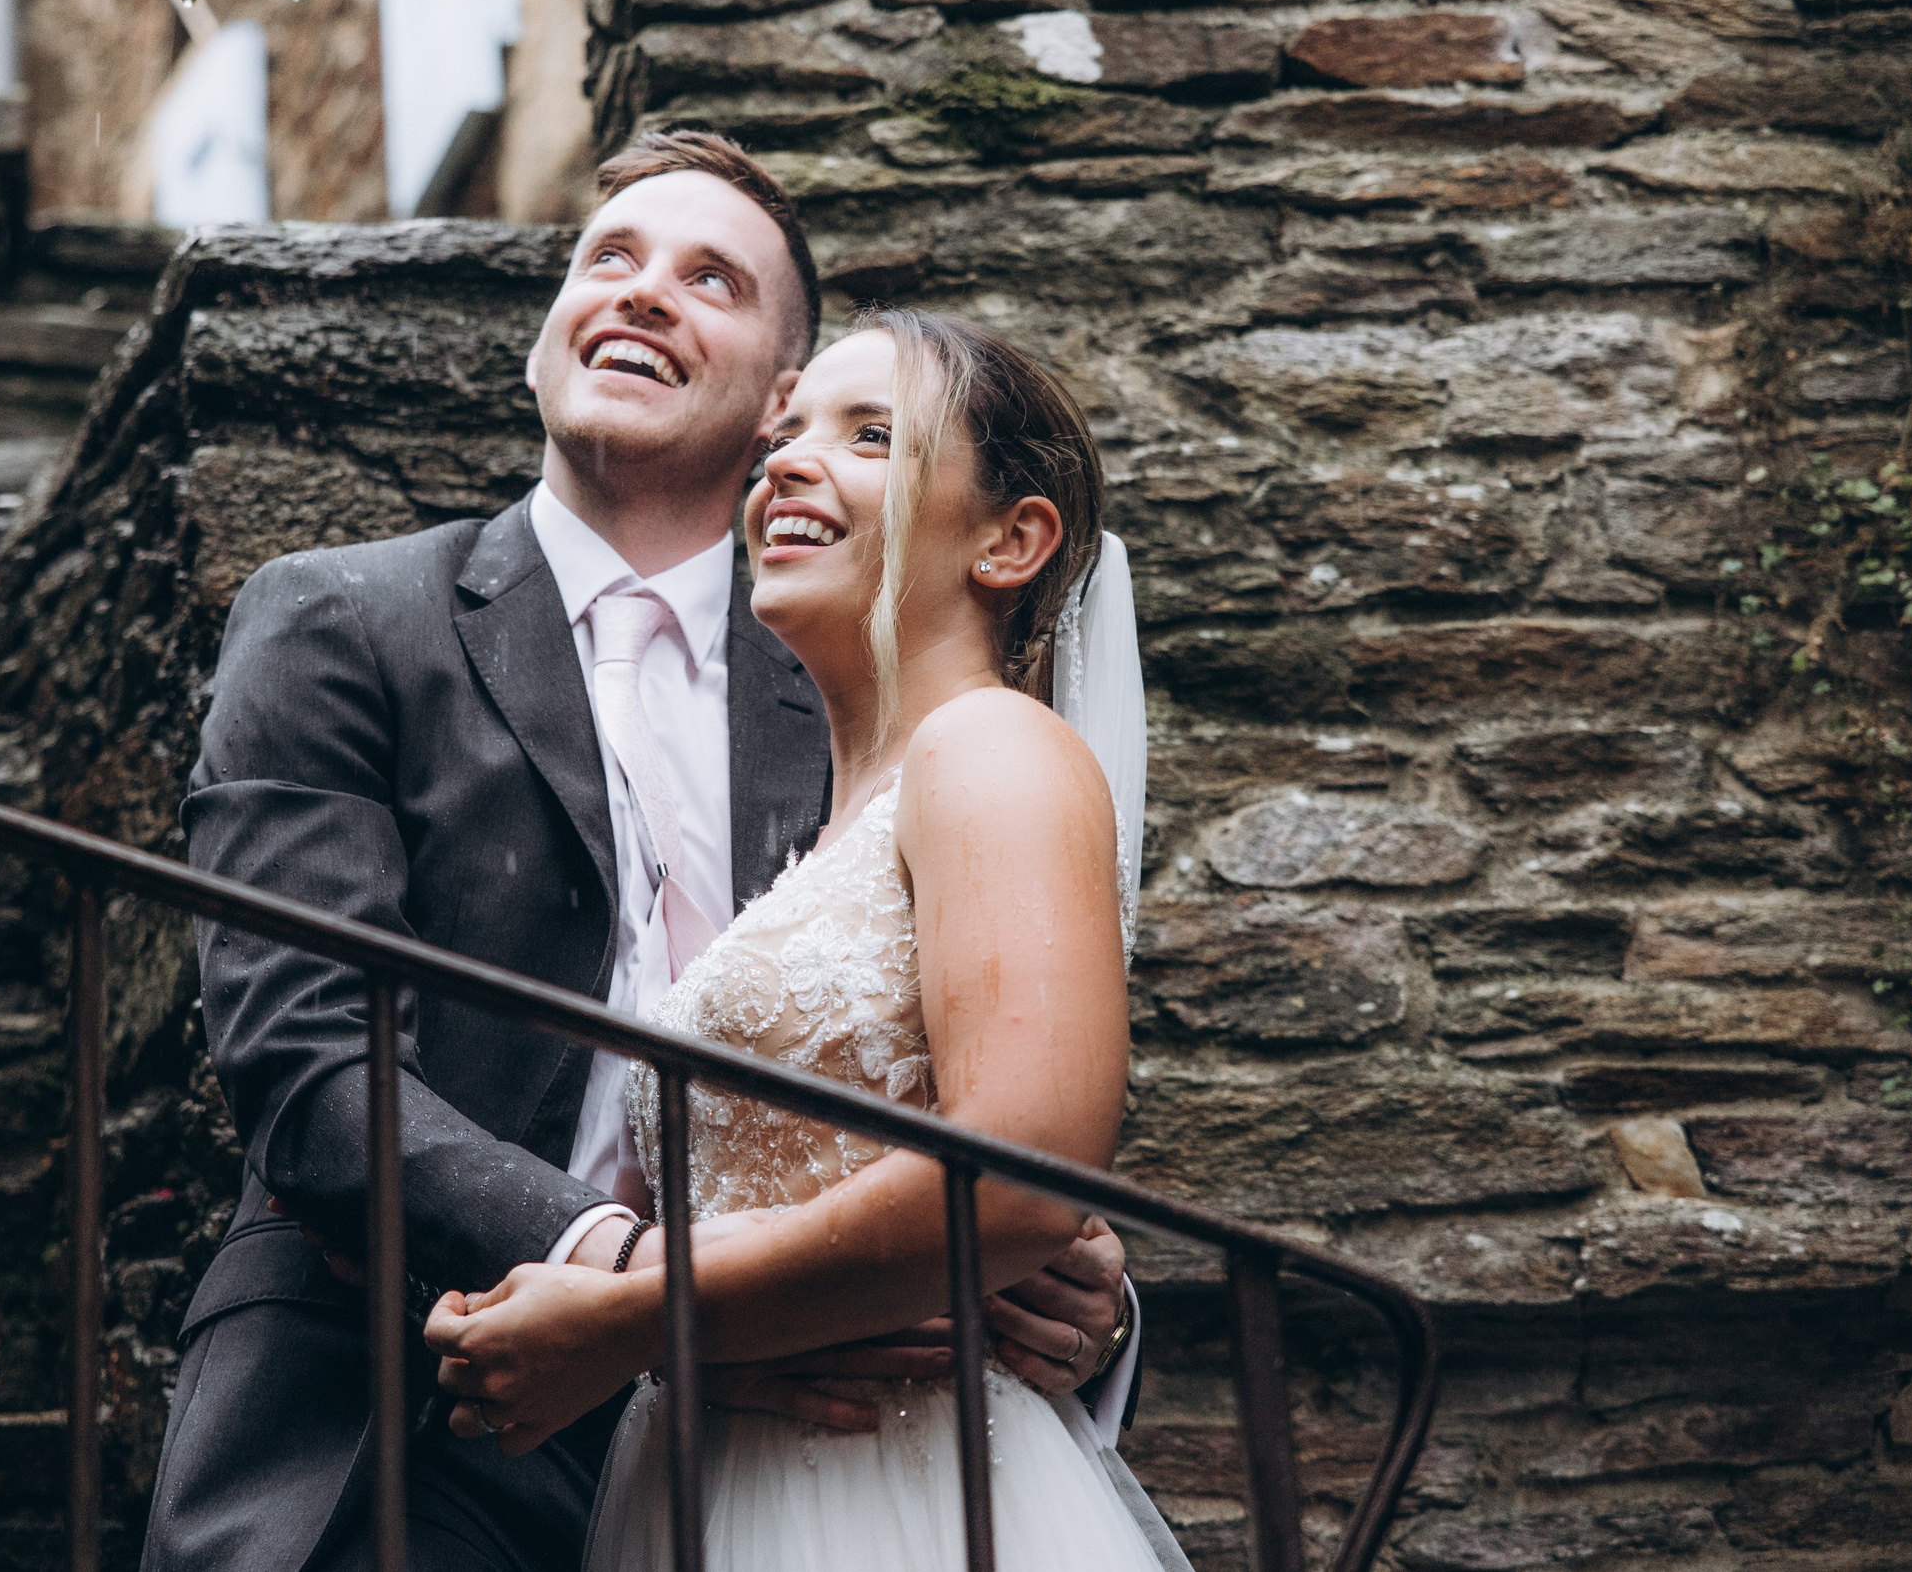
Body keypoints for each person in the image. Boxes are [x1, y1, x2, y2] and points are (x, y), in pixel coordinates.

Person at [144, 134, 1141, 1572]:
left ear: (780, 394)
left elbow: (993, 1091)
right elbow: (308, 1065)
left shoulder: (881, 693)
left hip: (819, 1420)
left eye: (711, 278)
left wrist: (1077, 1292)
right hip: (415, 1413)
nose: (644, 293)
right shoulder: (339, 620)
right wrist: (635, 1286)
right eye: (607, 258)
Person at [423, 310, 1186, 1572]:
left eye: (869, 435)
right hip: (731, 1484)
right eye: (783, 434)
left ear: (1012, 539)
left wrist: (630, 1320)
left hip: (894, 1496)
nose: (782, 462)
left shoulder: (990, 749)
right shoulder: (832, 831)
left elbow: (1022, 1167)